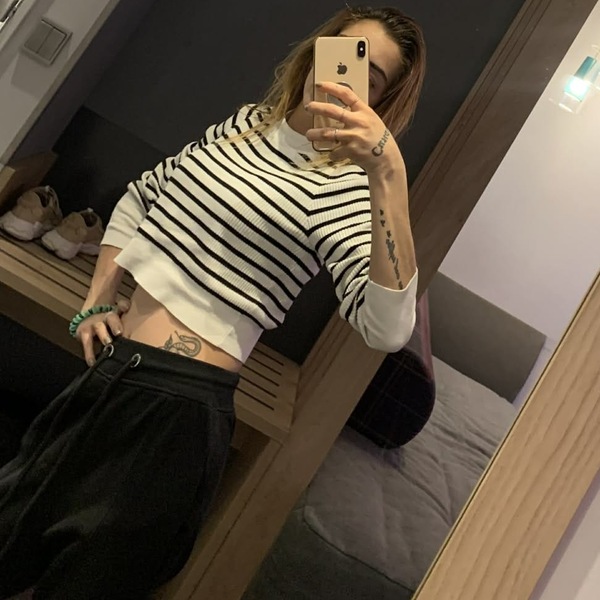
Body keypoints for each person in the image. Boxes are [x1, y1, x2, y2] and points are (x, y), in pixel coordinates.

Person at [0, 5, 426, 599]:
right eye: (343, 54)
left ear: (380, 103)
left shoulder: (347, 188)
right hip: (114, 371)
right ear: (319, 50)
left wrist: (388, 175)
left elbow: (387, 328)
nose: (342, 77)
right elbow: (143, 197)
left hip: (176, 410)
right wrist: (97, 299)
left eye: (369, 78)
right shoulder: (247, 125)